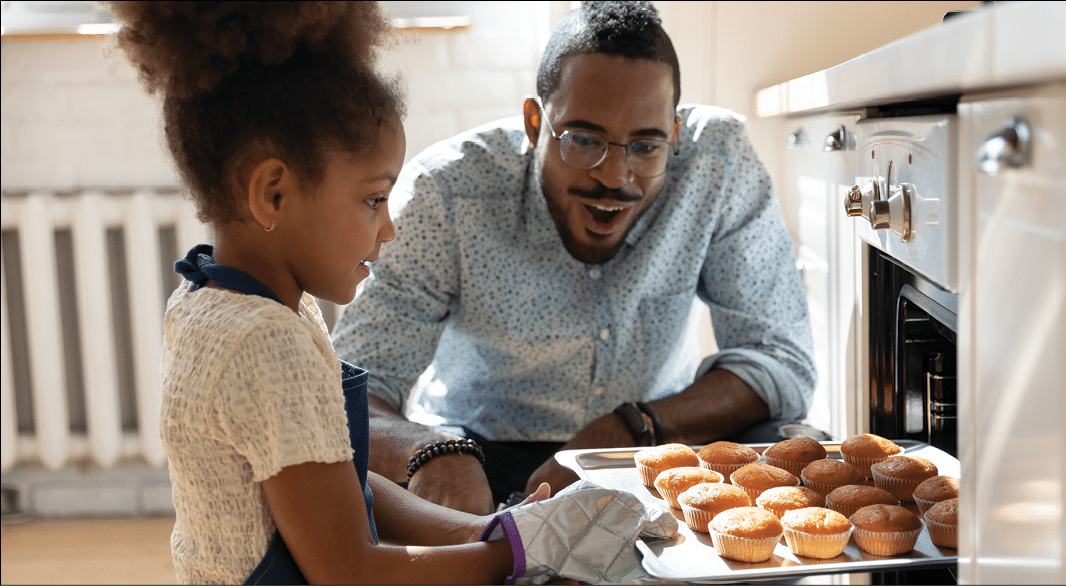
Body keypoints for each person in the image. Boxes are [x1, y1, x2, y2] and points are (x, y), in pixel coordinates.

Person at [108, 2, 672, 583]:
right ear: (273, 194)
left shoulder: (214, 299)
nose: (389, 228)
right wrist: (519, 553)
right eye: (374, 199)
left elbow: (338, 482)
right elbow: (350, 568)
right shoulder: (270, 342)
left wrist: (489, 533)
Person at [332, 0, 820, 516]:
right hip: (477, 451)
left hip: (653, 444)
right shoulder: (447, 193)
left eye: (645, 145)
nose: (614, 176)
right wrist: (427, 452)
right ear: (534, 122)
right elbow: (348, 388)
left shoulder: (717, 162)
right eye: (583, 139)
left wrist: (628, 428)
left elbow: (780, 360)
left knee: (794, 452)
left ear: (674, 133)